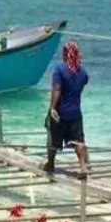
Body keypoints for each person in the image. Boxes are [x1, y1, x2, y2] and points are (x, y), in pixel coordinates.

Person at [45, 41, 89, 178]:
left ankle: (50, 164)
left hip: (60, 112)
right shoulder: (83, 72)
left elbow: (57, 89)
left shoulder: (59, 70)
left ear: (65, 53)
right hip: (76, 113)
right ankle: (83, 167)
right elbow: (82, 84)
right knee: (78, 141)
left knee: (53, 140)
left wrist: (52, 108)